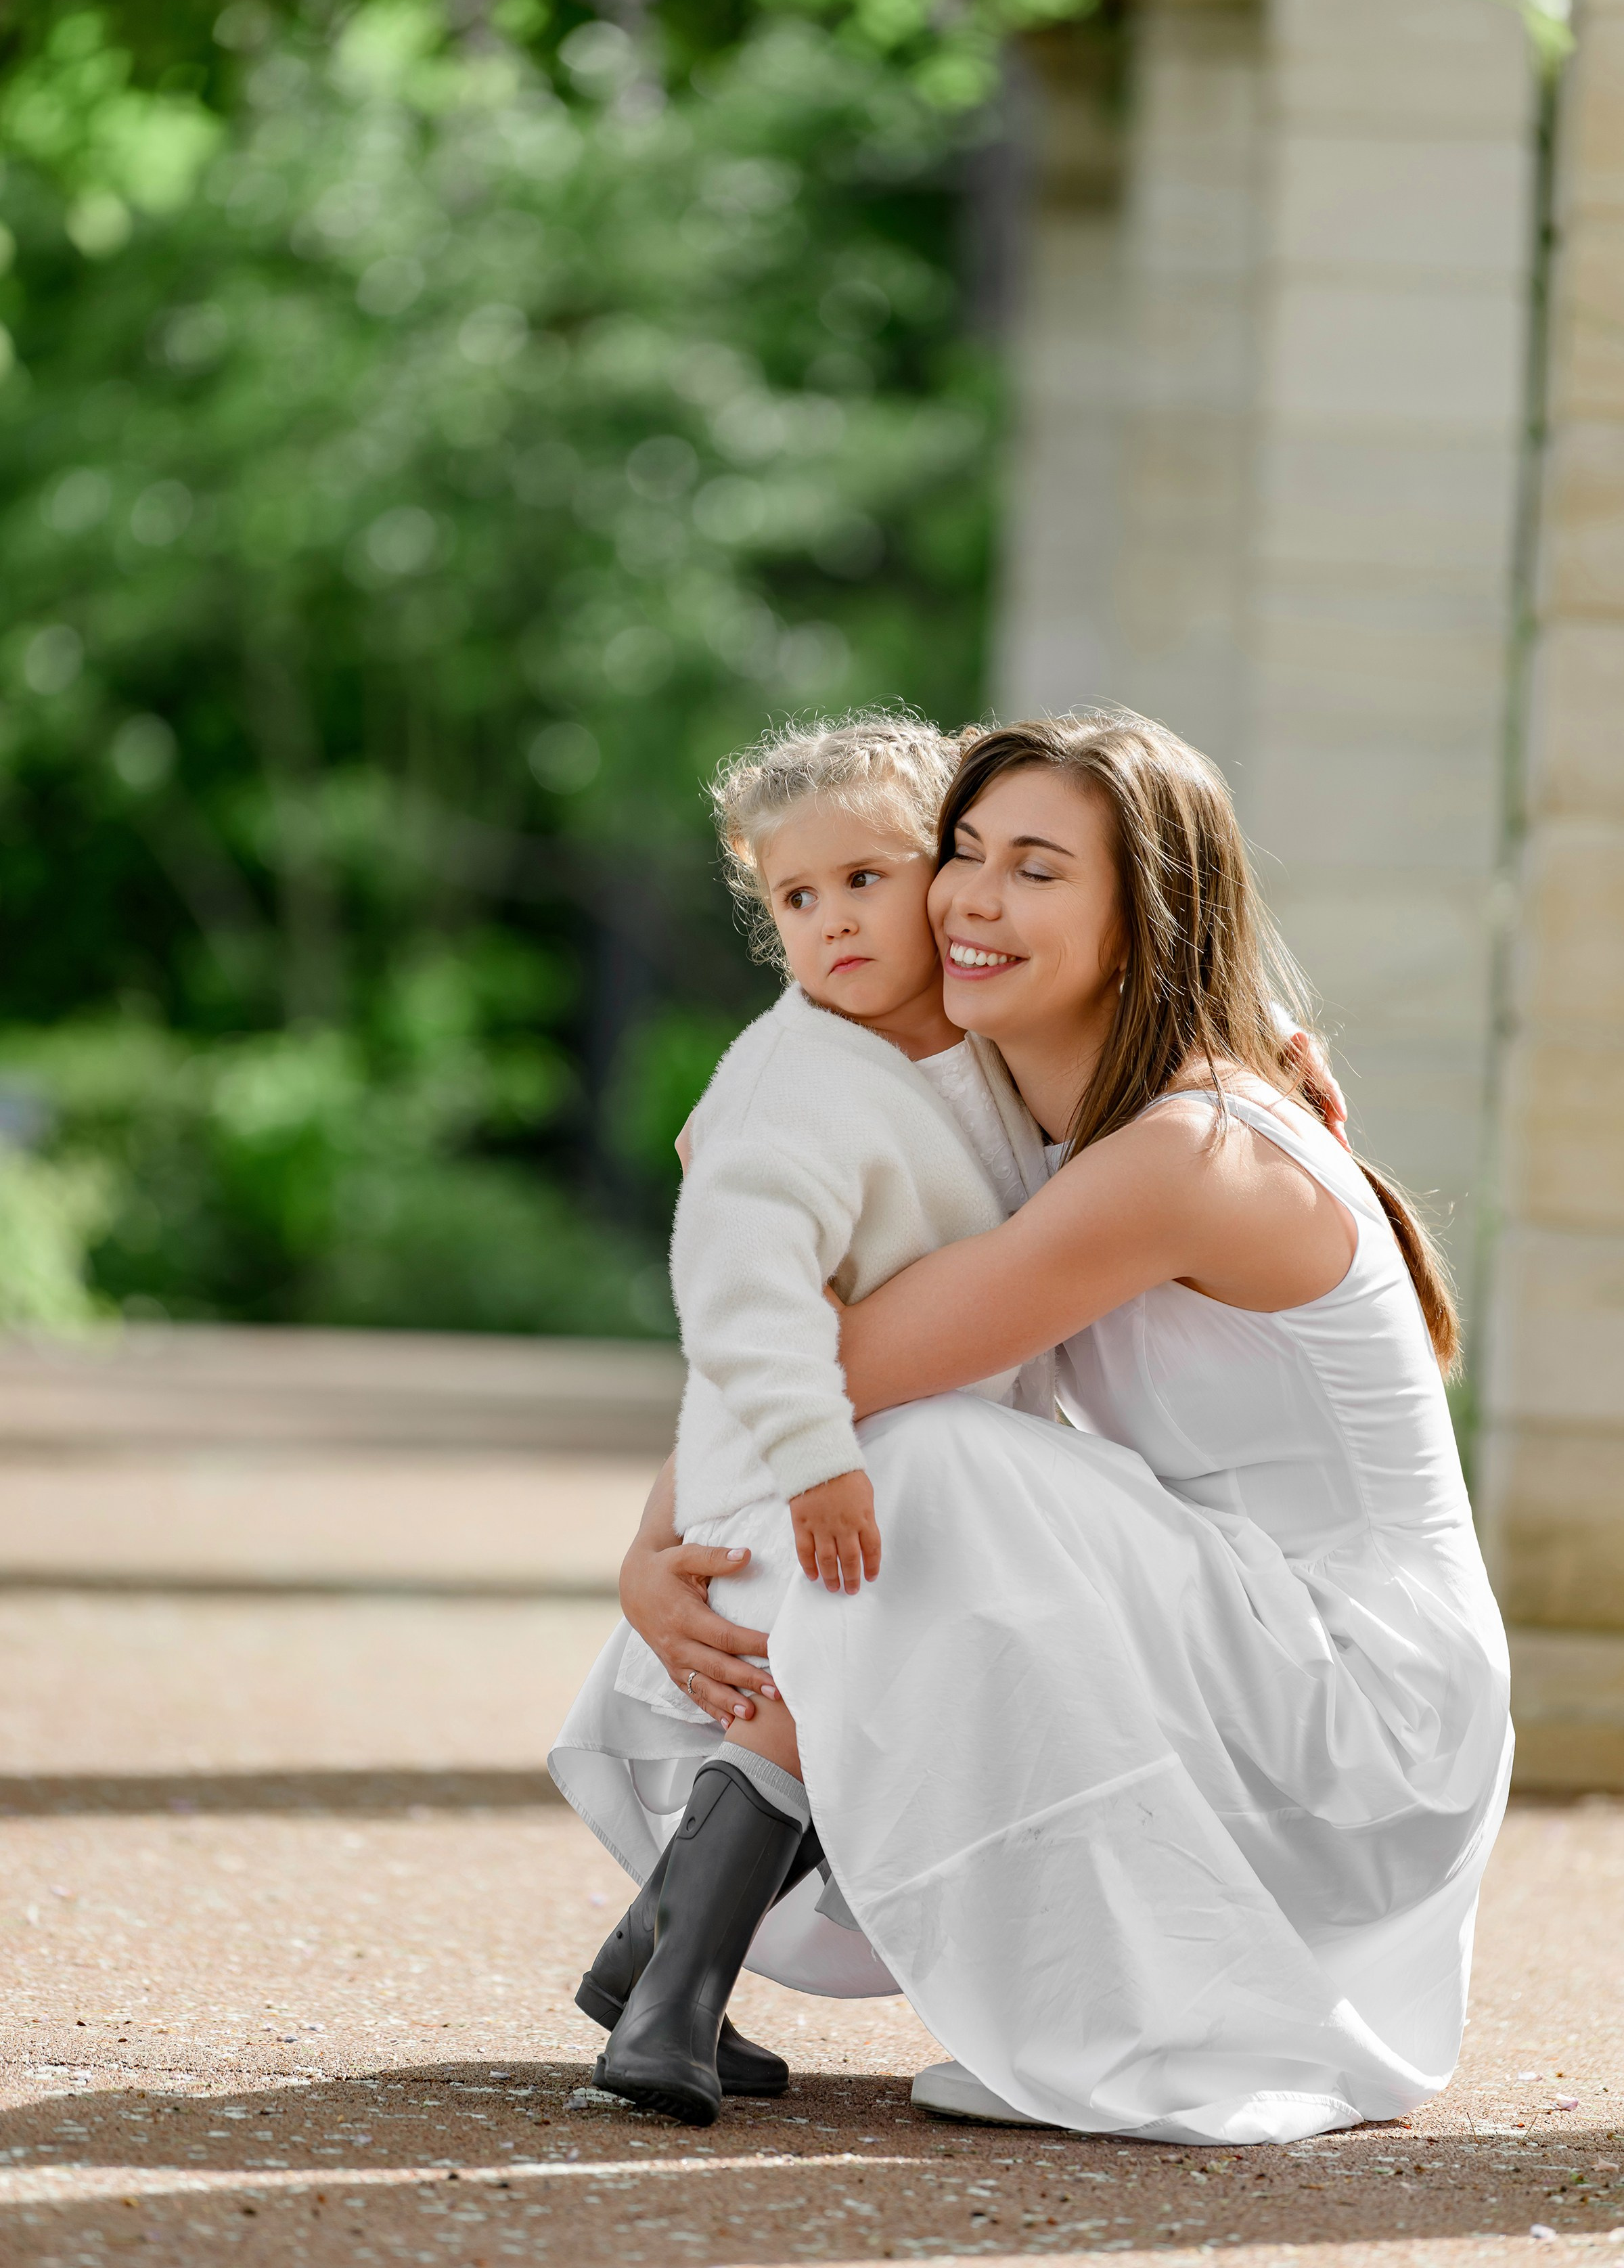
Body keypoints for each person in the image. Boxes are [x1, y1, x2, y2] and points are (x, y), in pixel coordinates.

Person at [619, 709, 1511, 2147]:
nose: (970, 900)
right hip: (1242, 1640)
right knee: (880, 1474)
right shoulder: (1052, 1135)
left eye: (1037, 871)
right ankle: (670, 1941)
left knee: (924, 1470)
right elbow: (837, 1363)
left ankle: (681, 1938)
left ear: (1146, 914)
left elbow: (848, 1372)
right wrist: (661, 1545)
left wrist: (657, 1539)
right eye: (963, 853)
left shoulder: (1185, 1154)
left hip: (1368, 1710)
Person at [549, 712, 1052, 2124]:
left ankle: (644, 1954)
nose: (831, 920)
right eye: (796, 897)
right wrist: (816, 1468)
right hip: (805, 1465)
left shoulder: (974, 1053)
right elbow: (742, 1308)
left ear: (944, 879)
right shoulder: (792, 1085)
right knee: (818, 1691)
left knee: (888, 1686)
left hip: (893, 1454)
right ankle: (666, 2013)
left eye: (866, 880)